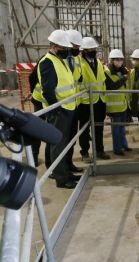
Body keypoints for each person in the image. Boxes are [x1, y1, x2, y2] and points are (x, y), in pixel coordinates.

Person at [35, 29, 80, 188]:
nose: (66, 50)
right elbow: (47, 90)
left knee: (64, 144)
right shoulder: (47, 62)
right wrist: (56, 110)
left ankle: (66, 172)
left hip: (67, 108)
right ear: (54, 46)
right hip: (59, 111)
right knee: (57, 145)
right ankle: (62, 178)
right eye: (64, 47)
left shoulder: (59, 60)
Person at [77, 37, 110, 161]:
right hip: (85, 102)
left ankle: (100, 151)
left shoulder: (98, 63)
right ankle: (84, 153)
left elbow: (102, 81)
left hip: (100, 100)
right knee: (85, 129)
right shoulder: (79, 63)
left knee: (99, 127)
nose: (93, 50)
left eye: (94, 48)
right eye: (91, 49)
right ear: (84, 50)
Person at [104, 49, 131, 156]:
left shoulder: (122, 71)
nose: (119, 61)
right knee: (116, 130)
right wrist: (124, 79)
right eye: (117, 60)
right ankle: (117, 149)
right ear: (112, 60)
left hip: (123, 105)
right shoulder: (107, 72)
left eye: (121, 60)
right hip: (114, 107)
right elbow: (111, 86)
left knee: (122, 128)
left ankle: (124, 145)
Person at [64, 29, 83, 173]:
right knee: (60, 140)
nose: (77, 50)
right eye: (75, 47)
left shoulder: (76, 59)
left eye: (78, 47)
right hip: (61, 106)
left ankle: (69, 164)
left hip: (74, 104)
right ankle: (59, 169)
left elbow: (76, 78)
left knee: (71, 138)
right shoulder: (57, 59)